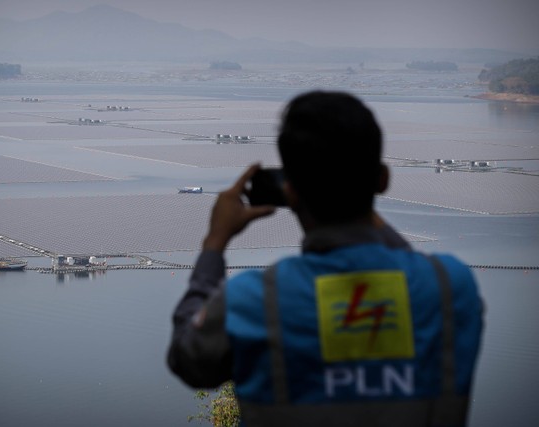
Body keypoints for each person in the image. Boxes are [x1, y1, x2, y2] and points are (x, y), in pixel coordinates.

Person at [167, 91, 483, 426]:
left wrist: (215, 244)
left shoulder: (253, 301)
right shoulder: (450, 286)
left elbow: (187, 360)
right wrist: (359, 201)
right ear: (383, 179)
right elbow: (404, 260)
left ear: (290, 191)